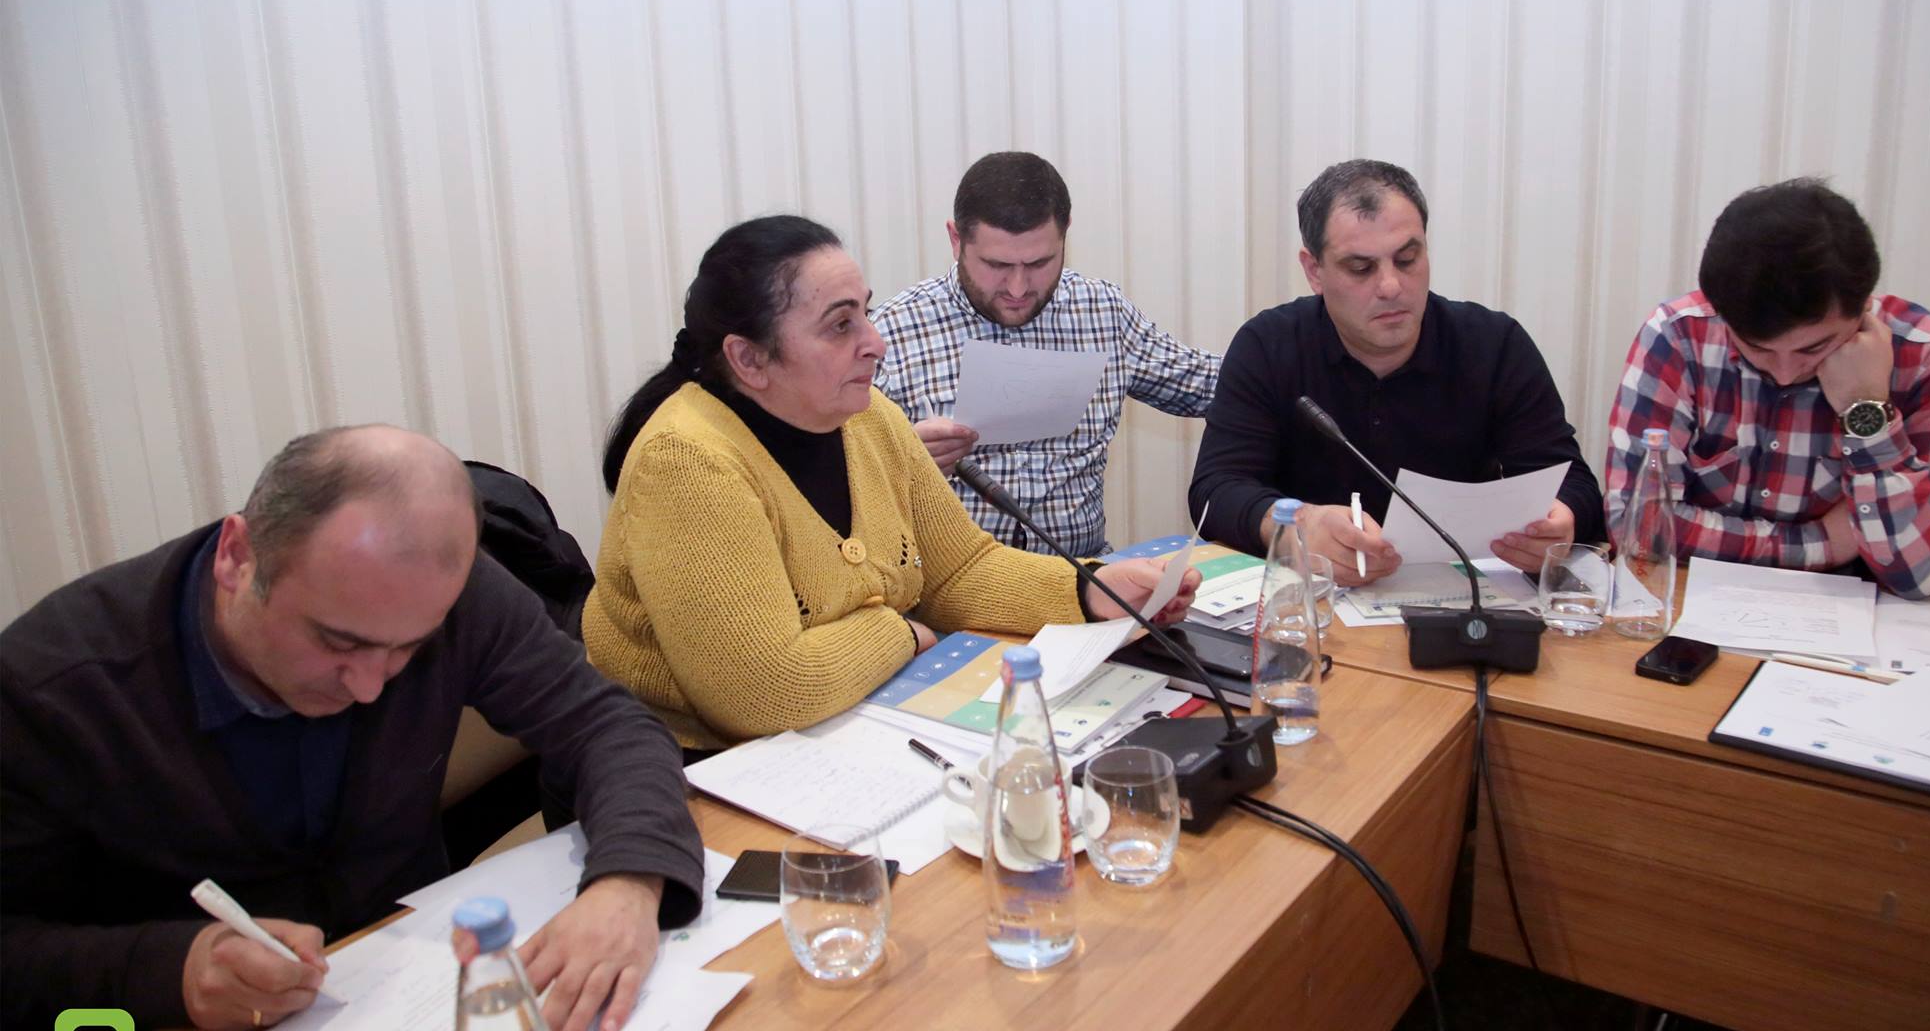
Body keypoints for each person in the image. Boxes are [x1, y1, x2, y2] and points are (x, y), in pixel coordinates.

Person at [0, 427, 705, 1031]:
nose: (369, 686)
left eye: (407, 649)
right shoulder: (52, 689)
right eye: (338, 642)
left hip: (412, 1004)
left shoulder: (439, 593)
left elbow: (606, 724)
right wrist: (167, 969)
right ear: (237, 557)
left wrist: (628, 881)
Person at [583, 215, 1197, 751]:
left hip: (846, 723)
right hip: (690, 771)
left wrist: (1091, 589)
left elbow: (958, 572)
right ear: (749, 358)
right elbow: (765, 692)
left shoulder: (867, 416)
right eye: (840, 326)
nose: (874, 344)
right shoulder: (686, 462)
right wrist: (900, 632)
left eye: (866, 314)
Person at [1190, 160, 1605, 580]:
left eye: (1407, 259)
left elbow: (1574, 485)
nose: (1390, 287)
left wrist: (1561, 521)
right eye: (1361, 268)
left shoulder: (1494, 344)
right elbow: (1215, 491)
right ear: (1314, 270)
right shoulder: (1268, 345)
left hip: (1462, 595)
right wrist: (1296, 525)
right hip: (1314, 596)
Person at [1606, 178, 1930, 599]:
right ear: (1720, 313)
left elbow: (1924, 573)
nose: (1785, 373)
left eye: (1814, 348)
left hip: (1856, 621)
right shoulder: (1680, 335)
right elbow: (1636, 529)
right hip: (1691, 607)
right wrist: (1826, 542)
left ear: (1864, 306)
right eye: (1757, 348)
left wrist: (1866, 411)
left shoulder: (1929, 357)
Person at [871, 151, 1220, 556]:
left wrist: (1282, 342)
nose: (1018, 288)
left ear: (1065, 234)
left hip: (1084, 574)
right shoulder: (892, 332)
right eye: (997, 265)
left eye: (1039, 263)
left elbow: (1213, 387)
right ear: (955, 239)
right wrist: (902, 461)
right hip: (949, 585)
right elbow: (833, 476)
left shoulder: (1100, 311)